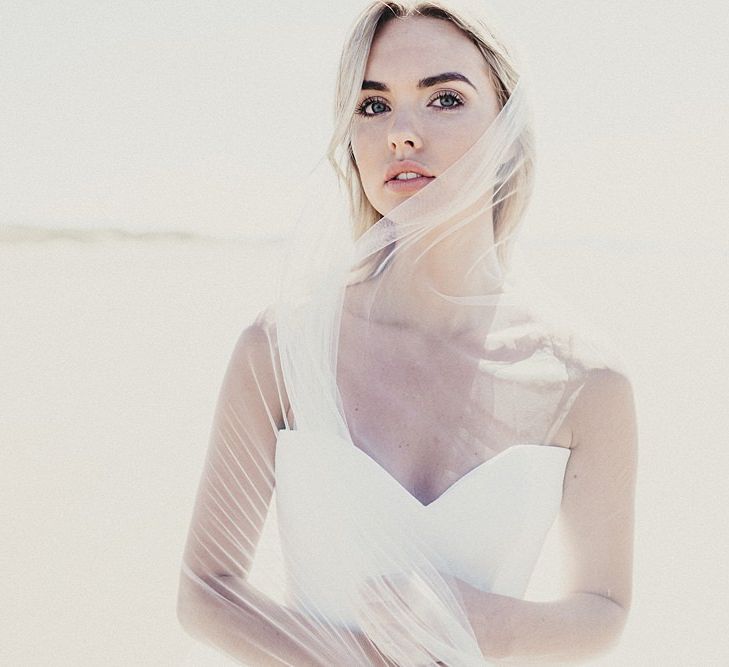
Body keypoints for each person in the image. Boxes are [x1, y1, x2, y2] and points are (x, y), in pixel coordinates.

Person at [176, 2, 638, 665]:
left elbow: (603, 608)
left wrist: (474, 621)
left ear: (507, 125)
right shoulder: (279, 347)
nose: (400, 132)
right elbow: (205, 587)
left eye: (444, 98)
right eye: (372, 107)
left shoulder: (584, 380)